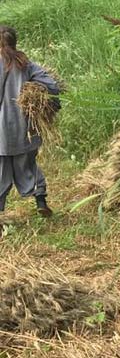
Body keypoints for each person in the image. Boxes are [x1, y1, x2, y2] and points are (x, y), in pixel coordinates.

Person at [0, 25, 59, 218]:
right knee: (29, 165)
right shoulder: (26, 63)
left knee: (1, 173)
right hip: (25, 129)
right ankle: (40, 201)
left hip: (1, 133)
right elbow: (52, 86)